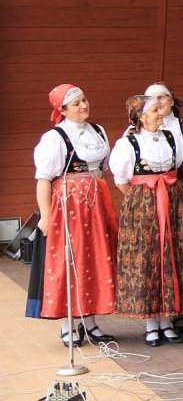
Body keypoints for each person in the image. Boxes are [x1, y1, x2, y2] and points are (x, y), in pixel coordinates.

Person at [109, 95, 183, 346]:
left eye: (160, 109)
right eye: (155, 110)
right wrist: (145, 196)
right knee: (148, 260)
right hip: (144, 207)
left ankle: (168, 322)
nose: (160, 114)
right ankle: (150, 324)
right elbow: (122, 180)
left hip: (174, 200)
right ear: (141, 117)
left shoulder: (172, 137)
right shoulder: (128, 143)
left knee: (173, 257)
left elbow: (177, 165)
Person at [29, 84, 118, 347]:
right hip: (69, 208)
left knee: (94, 260)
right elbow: (44, 179)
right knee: (70, 261)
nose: (83, 105)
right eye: (77, 103)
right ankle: (67, 325)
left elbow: (102, 169)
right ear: (63, 109)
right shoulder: (55, 137)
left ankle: (90, 323)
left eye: (84, 100)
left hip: (95, 205)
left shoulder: (98, 131)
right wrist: (45, 215)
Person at [143, 81, 183, 333]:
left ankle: (179, 311)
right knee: (159, 254)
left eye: (163, 97)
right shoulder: (135, 132)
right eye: (152, 99)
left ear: (172, 100)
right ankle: (162, 313)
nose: (159, 102)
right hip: (155, 198)